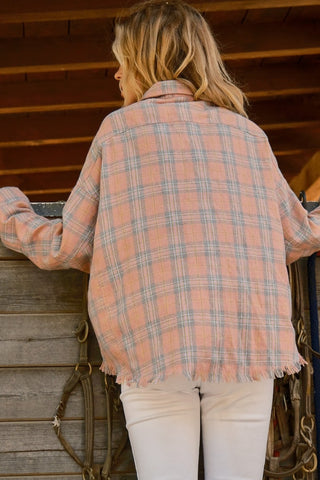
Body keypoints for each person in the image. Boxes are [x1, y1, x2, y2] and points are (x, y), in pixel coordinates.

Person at [0, 1, 320, 478]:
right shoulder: (249, 136)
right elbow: (297, 234)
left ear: (144, 63)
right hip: (245, 343)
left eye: (121, 61)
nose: (115, 74)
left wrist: (9, 210)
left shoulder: (118, 133)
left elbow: (66, 246)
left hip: (153, 345)